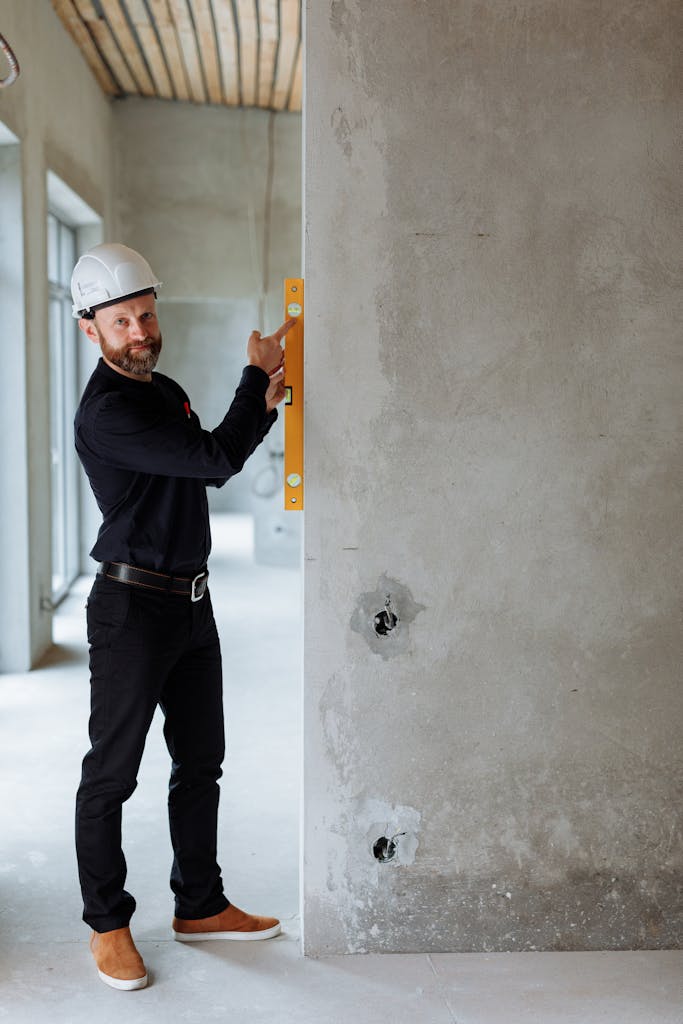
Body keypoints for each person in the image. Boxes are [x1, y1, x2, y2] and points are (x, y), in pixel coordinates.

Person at [71, 242, 294, 991]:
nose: (139, 330)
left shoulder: (160, 390)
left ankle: (198, 904)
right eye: (122, 320)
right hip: (132, 610)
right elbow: (211, 462)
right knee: (112, 776)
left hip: (191, 606)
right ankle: (107, 925)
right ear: (90, 330)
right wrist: (255, 374)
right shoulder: (107, 413)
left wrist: (260, 407)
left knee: (200, 763)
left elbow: (204, 453)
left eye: (145, 314)